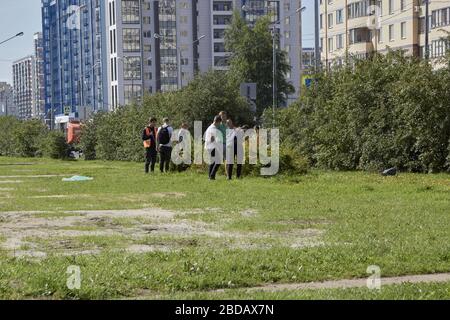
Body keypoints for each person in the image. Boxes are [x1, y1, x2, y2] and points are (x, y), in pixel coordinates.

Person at [205, 116, 223, 180]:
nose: (220, 124)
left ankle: (210, 176)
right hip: (212, 147)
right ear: (217, 121)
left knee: (212, 162)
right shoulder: (213, 128)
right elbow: (212, 139)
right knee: (219, 161)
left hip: (208, 147)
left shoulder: (210, 127)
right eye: (220, 122)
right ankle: (212, 176)